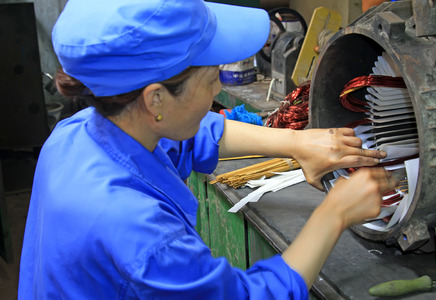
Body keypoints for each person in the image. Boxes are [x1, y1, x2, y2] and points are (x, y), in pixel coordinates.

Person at [18, 0, 397, 299]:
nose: (218, 90)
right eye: (212, 77)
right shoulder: (146, 241)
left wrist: (296, 143)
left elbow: (183, 139)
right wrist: (334, 213)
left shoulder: (74, 135)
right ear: (156, 100)